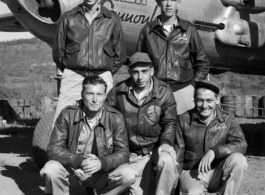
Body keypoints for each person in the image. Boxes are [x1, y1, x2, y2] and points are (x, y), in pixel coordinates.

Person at [40, 76, 136, 195]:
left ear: (105, 96)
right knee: (51, 168)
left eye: (99, 94)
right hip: (74, 170)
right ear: (82, 94)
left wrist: (102, 163)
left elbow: (123, 153)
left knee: (128, 174)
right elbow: (53, 149)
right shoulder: (67, 114)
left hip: (100, 173)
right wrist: (79, 161)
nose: (95, 99)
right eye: (90, 94)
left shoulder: (115, 117)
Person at [106, 52, 178, 195]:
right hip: (130, 153)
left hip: (155, 149)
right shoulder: (117, 92)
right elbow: (106, 120)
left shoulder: (164, 92)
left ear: (151, 71)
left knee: (167, 160)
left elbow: (169, 122)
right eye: (135, 72)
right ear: (129, 72)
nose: (140, 77)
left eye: (144, 71)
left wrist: (165, 143)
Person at [52, 0, 126, 125]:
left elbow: (120, 55)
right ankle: (58, 145)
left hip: (102, 75)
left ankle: (101, 145)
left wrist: (105, 72)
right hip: (73, 75)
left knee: (105, 121)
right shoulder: (68, 17)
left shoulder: (112, 19)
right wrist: (71, 71)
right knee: (62, 119)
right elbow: (58, 53)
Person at [137, 0, 210, 115]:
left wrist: (192, 86)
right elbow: (139, 63)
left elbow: (202, 62)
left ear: (179, 3)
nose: (169, 4)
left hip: (183, 92)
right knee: (156, 130)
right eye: (165, 0)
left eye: (173, 0)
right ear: (158, 2)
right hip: (156, 92)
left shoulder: (189, 30)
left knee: (184, 130)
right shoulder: (147, 30)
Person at [175, 81, 248, 195]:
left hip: (218, 172)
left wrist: (215, 151)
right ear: (194, 100)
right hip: (192, 172)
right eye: (200, 100)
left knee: (239, 160)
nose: (204, 106)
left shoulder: (228, 119)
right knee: (192, 192)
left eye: (209, 100)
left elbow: (241, 144)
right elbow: (177, 154)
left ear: (217, 100)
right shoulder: (183, 120)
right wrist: (174, 184)